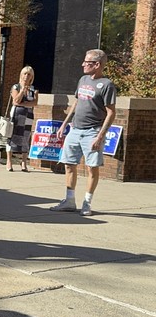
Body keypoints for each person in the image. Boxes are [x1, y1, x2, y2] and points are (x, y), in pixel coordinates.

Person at [50, 49, 116, 217]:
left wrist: (100, 136)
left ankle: (87, 203)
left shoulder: (107, 85)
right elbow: (77, 102)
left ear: (97, 65)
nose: (83, 65)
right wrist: (64, 125)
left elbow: (111, 112)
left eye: (87, 62)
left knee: (91, 168)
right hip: (75, 129)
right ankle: (69, 201)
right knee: (68, 164)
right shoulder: (83, 79)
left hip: (92, 131)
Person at [5, 66, 38, 172]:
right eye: (24, 73)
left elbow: (35, 103)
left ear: (31, 76)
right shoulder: (16, 87)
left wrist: (23, 104)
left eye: (28, 74)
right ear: (21, 74)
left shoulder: (33, 89)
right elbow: (15, 101)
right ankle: (9, 162)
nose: (26, 76)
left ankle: (23, 162)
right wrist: (22, 91)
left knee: (25, 137)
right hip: (16, 115)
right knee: (12, 136)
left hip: (28, 115)